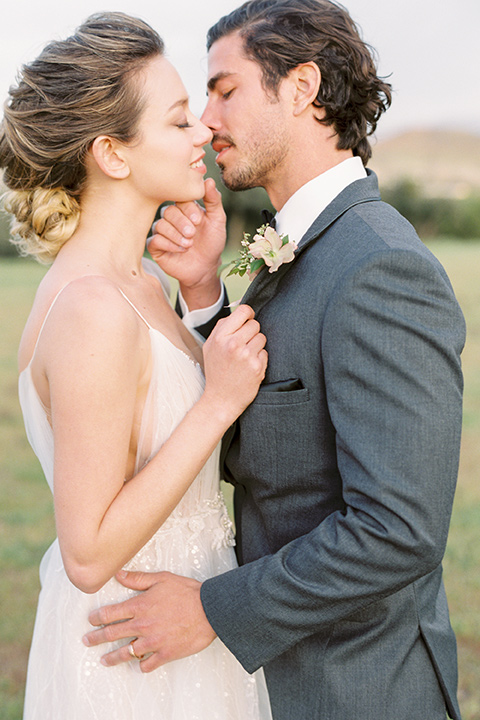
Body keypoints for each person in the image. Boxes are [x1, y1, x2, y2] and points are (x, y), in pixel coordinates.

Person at [83, 2, 465, 719]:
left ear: (301, 89)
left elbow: (398, 531)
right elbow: (267, 444)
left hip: (359, 692)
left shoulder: (379, 268)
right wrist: (202, 294)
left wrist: (213, 610)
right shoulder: (299, 251)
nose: (206, 120)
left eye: (225, 90)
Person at [0, 12, 272, 720]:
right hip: (131, 654)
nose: (204, 133)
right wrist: (219, 401)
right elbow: (87, 553)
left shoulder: (144, 282)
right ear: (112, 155)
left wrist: (200, 287)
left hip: (187, 616)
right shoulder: (91, 306)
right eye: (179, 120)